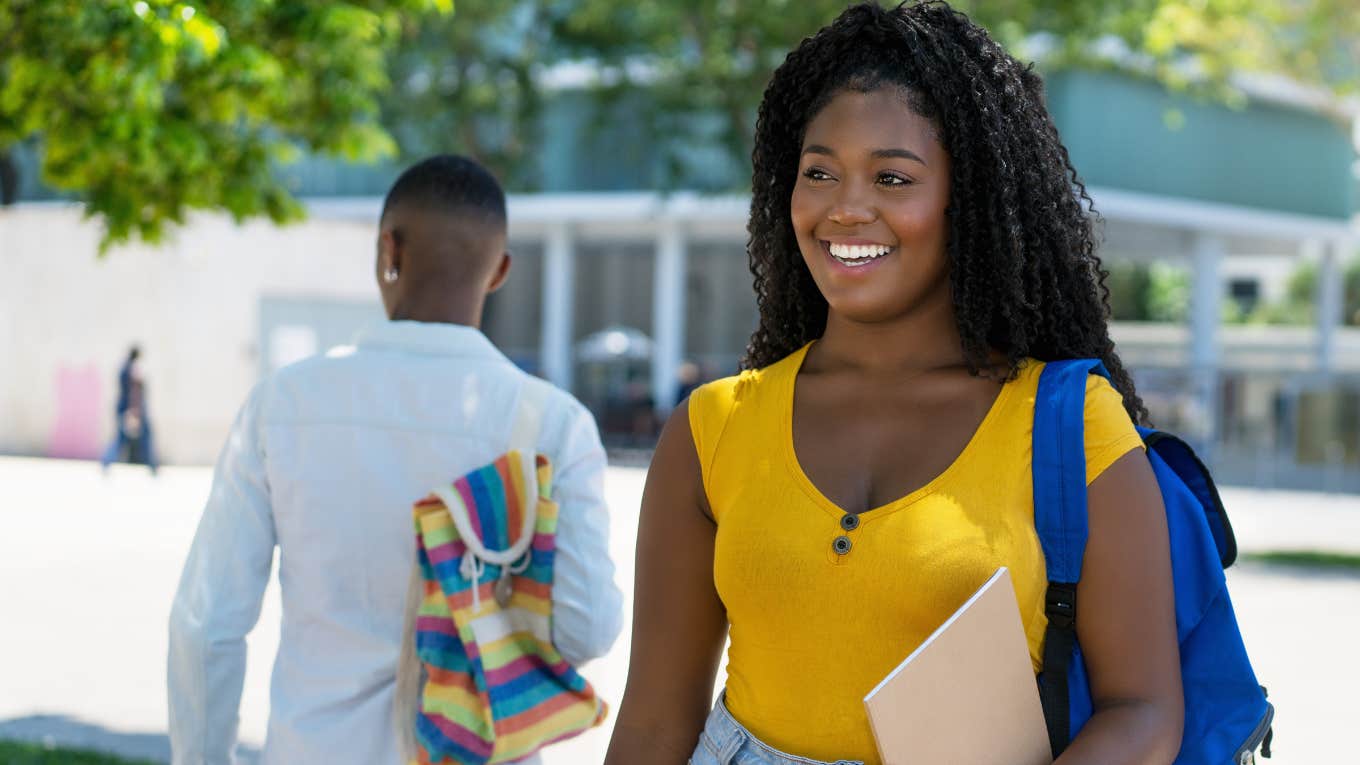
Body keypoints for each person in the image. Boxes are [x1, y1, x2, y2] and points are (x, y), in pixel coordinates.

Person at [606, 4, 1182, 765]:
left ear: (967, 199)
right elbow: (652, 726)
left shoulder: (1070, 423)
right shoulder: (712, 426)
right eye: (819, 172)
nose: (846, 207)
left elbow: (1142, 710)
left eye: (891, 176)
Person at [168, 155, 624, 765]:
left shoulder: (283, 404)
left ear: (388, 249)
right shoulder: (552, 425)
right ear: (500, 272)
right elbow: (585, 629)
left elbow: (205, 626)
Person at [100, 344, 158, 474]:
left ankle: (106, 462)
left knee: (121, 438)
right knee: (143, 437)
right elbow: (134, 392)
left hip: (124, 407)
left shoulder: (123, 368)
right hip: (132, 409)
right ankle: (152, 466)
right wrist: (134, 411)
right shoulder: (133, 370)